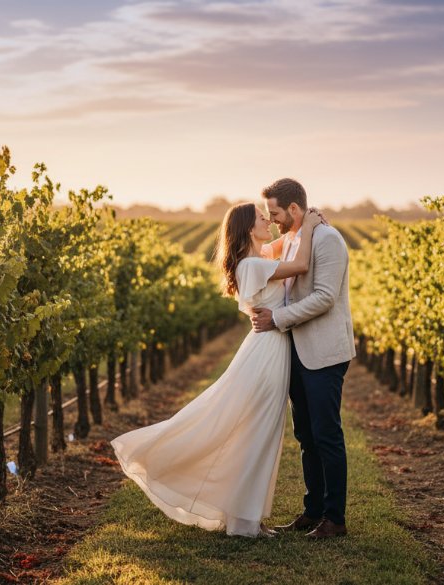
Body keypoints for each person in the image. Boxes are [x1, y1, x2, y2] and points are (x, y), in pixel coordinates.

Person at [111, 200, 322, 537]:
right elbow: (301, 263)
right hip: (267, 354)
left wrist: (298, 222)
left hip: (270, 349)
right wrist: (309, 227)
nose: (267, 219)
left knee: (259, 436)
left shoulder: (257, 258)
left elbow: (282, 245)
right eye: (260, 217)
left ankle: (244, 519)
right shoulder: (252, 265)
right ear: (247, 228)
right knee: (257, 435)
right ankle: (243, 522)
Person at [251, 178, 355, 539]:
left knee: (326, 435)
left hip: (324, 352)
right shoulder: (299, 235)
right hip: (299, 350)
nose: (273, 219)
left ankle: (335, 519)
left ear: (294, 209)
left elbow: (325, 297)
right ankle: (313, 511)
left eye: (275, 212)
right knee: (307, 435)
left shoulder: (327, 240)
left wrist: (276, 319)